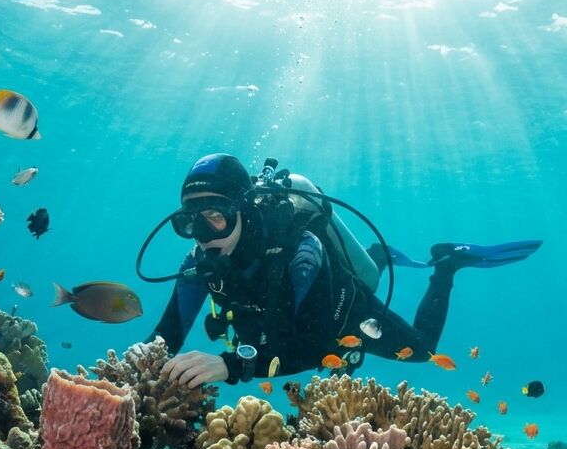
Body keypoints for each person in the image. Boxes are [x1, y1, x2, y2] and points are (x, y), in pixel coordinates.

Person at [151, 154, 540, 388]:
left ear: (243, 210)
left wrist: (231, 365)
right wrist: (136, 373)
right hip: (282, 330)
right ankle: (378, 255)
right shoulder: (202, 261)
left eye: (215, 218)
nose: (202, 237)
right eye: (190, 223)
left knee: (422, 351)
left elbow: (316, 343)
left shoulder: (299, 251)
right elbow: (164, 339)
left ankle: (447, 264)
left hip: (342, 315)